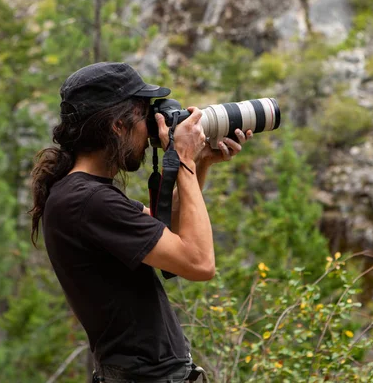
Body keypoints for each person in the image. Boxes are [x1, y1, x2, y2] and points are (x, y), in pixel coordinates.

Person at [29, 62, 253, 383]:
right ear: (118, 126)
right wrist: (184, 159)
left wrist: (199, 162)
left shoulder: (82, 194)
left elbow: (170, 232)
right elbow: (199, 262)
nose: (151, 130)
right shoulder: (89, 201)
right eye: (144, 117)